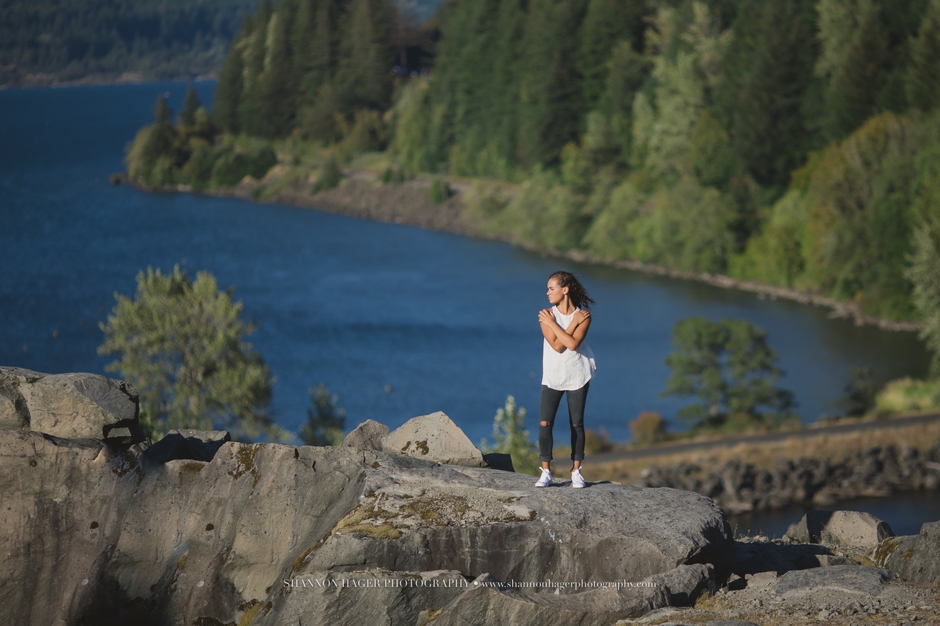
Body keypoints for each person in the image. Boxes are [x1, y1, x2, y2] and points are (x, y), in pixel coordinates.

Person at [535, 271, 596, 488]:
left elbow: (572, 344)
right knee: (545, 423)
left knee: (576, 424)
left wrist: (558, 325)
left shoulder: (584, 316)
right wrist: (556, 324)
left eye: (551, 288)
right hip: (552, 376)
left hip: (578, 374)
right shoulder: (546, 315)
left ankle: (576, 471)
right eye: (548, 289)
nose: (547, 292)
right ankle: (546, 471)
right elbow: (557, 346)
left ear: (565, 289)